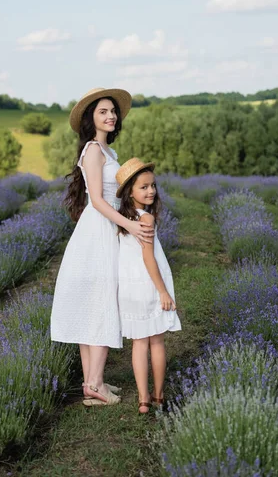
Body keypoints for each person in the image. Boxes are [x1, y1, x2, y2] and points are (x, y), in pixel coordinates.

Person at [51, 88, 154, 407]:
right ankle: (94, 384)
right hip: (98, 230)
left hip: (107, 226)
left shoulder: (108, 152)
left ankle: (91, 382)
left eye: (113, 112)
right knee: (101, 299)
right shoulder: (94, 150)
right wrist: (130, 224)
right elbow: (96, 200)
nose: (110, 116)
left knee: (96, 301)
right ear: (90, 118)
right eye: (103, 112)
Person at [116, 158, 181, 414]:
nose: (151, 191)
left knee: (138, 344)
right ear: (130, 190)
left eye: (152, 185)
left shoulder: (123, 218)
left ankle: (143, 399)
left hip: (131, 288)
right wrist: (163, 291)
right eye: (143, 187)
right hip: (149, 285)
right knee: (156, 342)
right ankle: (158, 394)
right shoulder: (146, 219)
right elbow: (148, 257)